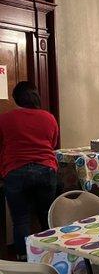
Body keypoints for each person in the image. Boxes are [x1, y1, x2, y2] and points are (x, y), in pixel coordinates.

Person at [0, 82, 59, 260]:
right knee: (46, 215)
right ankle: (51, 255)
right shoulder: (49, 118)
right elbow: (53, 143)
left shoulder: (4, 119)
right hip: (45, 169)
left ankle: (24, 258)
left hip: (15, 170)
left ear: (15, 98)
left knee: (21, 219)